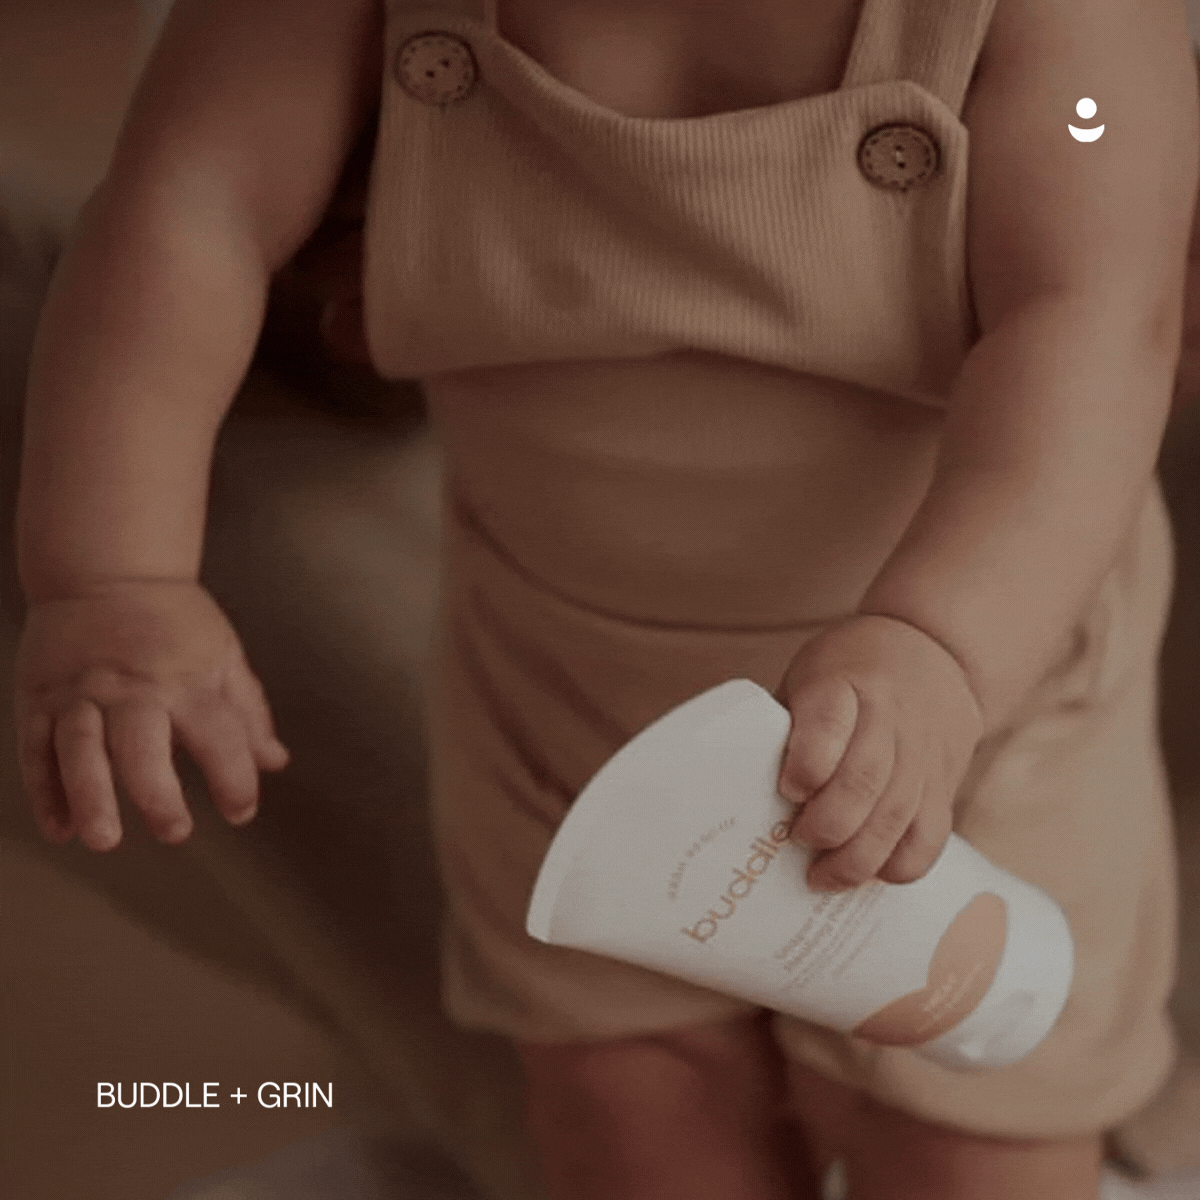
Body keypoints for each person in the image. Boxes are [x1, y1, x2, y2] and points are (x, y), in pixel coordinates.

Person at [9, 2, 1199, 1199]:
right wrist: (116, 575)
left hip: (977, 691)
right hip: (563, 697)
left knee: (963, 1124)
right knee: (628, 1115)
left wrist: (943, 643)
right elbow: (188, 207)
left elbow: (1093, 326)